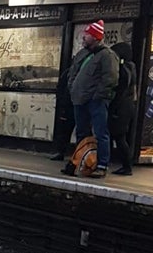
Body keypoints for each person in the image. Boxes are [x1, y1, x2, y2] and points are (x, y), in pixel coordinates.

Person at [66, 20, 118, 178]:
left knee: (101, 132)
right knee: (82, 132)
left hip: (96, 100)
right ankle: (81, 161)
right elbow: (73, 71)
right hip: (79, 99)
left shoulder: (107, 55)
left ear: (96, 38)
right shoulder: (84, 54)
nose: (84, 38)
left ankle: (101, 164)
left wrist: (98, 96)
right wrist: (72, 86)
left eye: (87, 35)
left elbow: (110, 78)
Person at [108, 42, 137, 176]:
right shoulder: (132, 67)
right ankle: (126, 165)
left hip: (121, 108)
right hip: (127, 107)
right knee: (119, 137)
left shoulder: (124, 70)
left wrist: (113, 108)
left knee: (119, 137)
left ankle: (126, 166)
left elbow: (120, 91)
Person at [49, 54, 75, 160]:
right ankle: (62, 152)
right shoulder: (68, 73)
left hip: (72, 104)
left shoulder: (69, 73)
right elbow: (61, 88)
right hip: (70, 104)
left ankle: (63, 152)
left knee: (67, 131)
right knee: (65, 131)